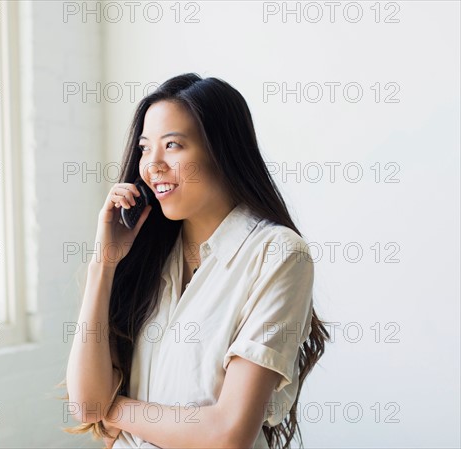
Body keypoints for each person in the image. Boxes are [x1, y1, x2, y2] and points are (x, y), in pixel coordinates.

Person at [61, 73, 330, 449]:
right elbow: (87, 403)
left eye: (172, 145)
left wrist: (116, 410)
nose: (152, 164)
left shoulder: (278, 254)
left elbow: (227, 433)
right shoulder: (147, 254)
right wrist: (103, 264)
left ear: (221, 150)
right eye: (144, 147)